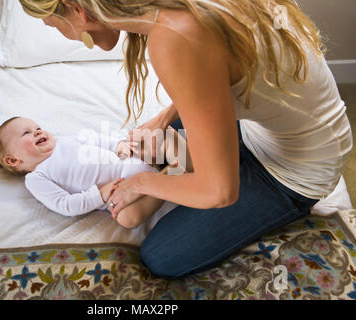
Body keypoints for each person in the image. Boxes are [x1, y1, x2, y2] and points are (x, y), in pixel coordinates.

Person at [18, 0, 353, 278]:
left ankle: (213, 175)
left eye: (55, 26)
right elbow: (220, 66)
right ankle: (196, 163)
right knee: (156, 139)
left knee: (162, 256)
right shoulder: (182, 11)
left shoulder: (175, 38)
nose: (65, 35)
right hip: (275, 128)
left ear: (78, 10)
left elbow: (220, 192)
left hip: (297, 171)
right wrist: (164, 117)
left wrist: (142, 184)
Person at [0, 116, 190, 229]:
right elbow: (64, 204)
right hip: (120, 194)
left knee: (160, 135)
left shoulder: (66, 141)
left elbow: (99, 141)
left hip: (134, 160)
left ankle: (187, 161)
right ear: (13, 160)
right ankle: (175, 172)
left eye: (38, 127)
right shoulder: (36, 178)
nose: (38, 132)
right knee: (128, 219)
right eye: (26, 133)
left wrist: (120, 145)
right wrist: (99, 195)